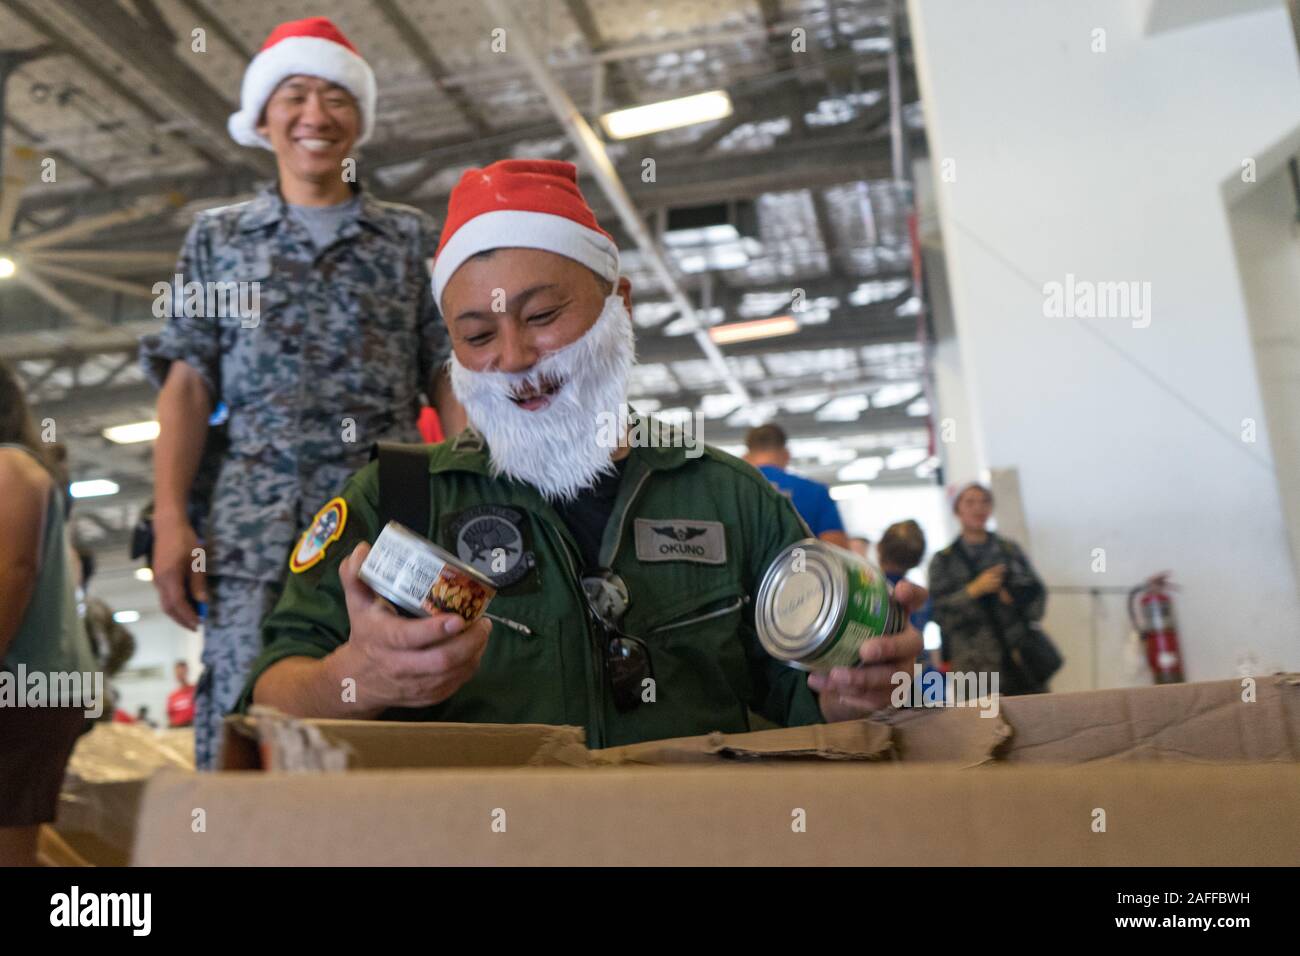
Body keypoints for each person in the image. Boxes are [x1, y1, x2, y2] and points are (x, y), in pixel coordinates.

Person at [238, 159, 925, 747]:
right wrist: (357, 677)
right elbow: (268, 701)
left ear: (618, 303)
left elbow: (812, 701)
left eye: (541, 317)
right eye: (477, 336)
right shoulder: (397, 500)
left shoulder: (730, 498)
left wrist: (860, 689)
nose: (515, 358)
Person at [140, 17, 463, 769]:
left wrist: (468, 500)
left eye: (336, 97)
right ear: (262, 118)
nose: (315, 114)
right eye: (294, 96)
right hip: (251, 524)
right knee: (240, 714)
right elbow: (187, 382)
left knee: (396, 701)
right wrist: (169, 520)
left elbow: (449, 373)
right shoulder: (219, 240)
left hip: (386, 515)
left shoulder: (410, 240)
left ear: (360, 121)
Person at [0, 363, 97, 866]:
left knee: (11, 840)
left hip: (25, 685)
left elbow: (15, 571)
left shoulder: (10, 466)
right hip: (36, 684)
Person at [928, 483, 1049, 695]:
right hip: (972, 668)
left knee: (1034, 714)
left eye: (985, 502)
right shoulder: (943, 560)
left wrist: (1014, 597)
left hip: (1017, 660)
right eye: (970, 502)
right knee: (979, 717)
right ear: (957, 510)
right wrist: (972, 591)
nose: (979, 508)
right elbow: (938, 613)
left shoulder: (1009, 551)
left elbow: (1037, 598)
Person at [742, 424, 848, 547]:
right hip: (802, 559)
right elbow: (835, 546)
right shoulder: (816, 492)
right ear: (787, 454)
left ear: (746, 457)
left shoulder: (734, 493)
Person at [877, 520, 939, 674]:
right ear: (917, 561)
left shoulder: (873, 593)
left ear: (879, 547)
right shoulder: (922, 597)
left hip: (889, 675)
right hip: (925, 674)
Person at [167, 660, 196, 728]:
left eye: (182, 672)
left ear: (187, 671)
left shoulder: (195, 690)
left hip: (192, 726)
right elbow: (170, 716)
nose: (180, 674)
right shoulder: (172, 696)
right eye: (178, 672)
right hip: (178, 728)